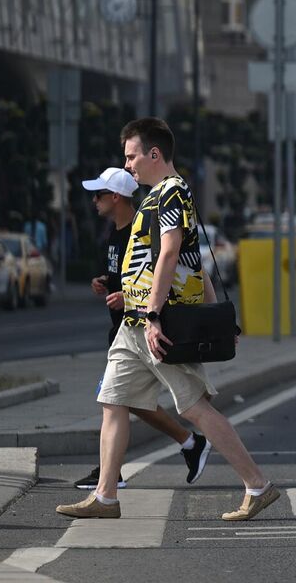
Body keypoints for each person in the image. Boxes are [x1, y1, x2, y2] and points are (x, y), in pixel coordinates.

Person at [57, 118, 278, 522]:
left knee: (194, 410)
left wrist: (156, 315)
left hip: (160, 322)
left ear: (154, 154)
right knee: (112, 400)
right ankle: (106, 497)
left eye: (131, 156)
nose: (127, 166)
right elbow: (196, 266)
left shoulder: (172, 194)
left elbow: (172, 255)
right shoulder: (156, 195)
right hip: (135, 322)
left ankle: (257, 486)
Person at [73, 166, 209, 491]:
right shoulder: (114, 233)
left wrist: (137, 303)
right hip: (124, 327)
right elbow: (124, 273)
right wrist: (106, 284)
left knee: (125, 398)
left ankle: (192, 445)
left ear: (116, 197)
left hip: (141, 325)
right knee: (119, 399)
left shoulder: (141, 225)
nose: (94, 201)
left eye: (99, 195)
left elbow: (162, 267)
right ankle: (185, 445)